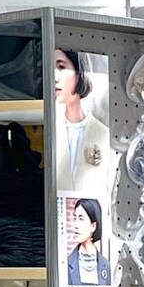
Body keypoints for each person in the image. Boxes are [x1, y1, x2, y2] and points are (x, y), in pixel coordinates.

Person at [54, 48, 111, 197]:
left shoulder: (103, 133)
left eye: (61, 67)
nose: (54, 77)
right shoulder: (50, 131)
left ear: (79, 73)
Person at [66, 198, 111, 286]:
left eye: (81, 219)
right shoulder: (67, 264)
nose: (75, 225)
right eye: (75, 218)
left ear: (93, 226)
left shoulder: (106, 266)